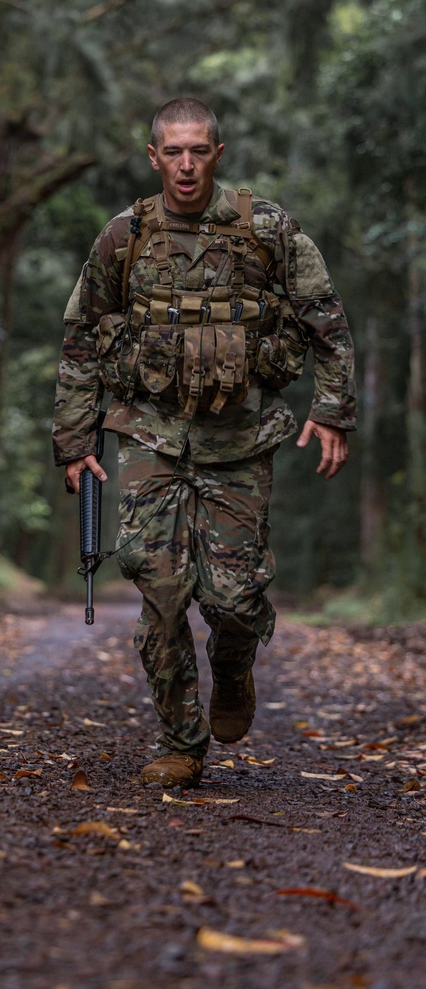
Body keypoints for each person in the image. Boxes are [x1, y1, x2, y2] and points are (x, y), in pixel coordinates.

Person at [52, 98, 356, 788]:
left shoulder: (268, 230)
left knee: (234, 602)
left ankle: (235, 665)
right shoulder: (122, 236)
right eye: (173, 152)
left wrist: (333, 412)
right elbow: (80, 339)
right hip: (149, 437)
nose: (186, 165)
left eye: (198, 151)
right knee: (158, 592)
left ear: (217, 153)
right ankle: (180, 744)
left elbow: (327, 325)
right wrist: (74, 440)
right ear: (153, 156)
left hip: (240, 441)